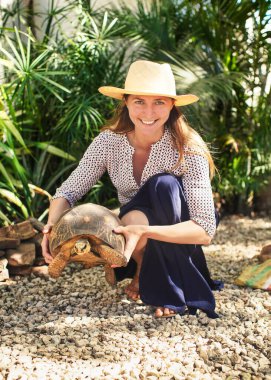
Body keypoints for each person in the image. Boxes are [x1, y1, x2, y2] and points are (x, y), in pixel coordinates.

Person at [42, 60, 223, 318]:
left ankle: (165, 288)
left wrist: (144, 231)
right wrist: (50, 226)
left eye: (159, 101)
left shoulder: (188, 146)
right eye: (139, 101)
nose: (148, 112)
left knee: (165, 186)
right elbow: (69, 190)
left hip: (181, 221)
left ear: (172, 105)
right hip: (133, 219)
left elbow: (204, 230)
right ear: (125, 102)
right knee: (132, 214)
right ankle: (143, 268)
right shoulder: (108, 141)